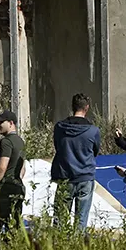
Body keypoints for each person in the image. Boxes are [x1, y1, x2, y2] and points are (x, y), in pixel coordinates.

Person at [51, 93, 102, 231]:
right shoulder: (93, 131)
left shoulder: (60, 128)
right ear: (87, 108)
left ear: (72, 106)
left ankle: (59, 246)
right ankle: (78, 247)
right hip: (85, 176)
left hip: (64, 176)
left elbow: (58, 147)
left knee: (60, 219)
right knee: (81, 219)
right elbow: (95, 151)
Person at [0, 109, 27, 236]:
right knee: (14, 225)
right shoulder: (20, 142)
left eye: (1, 122)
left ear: (11, 123)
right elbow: (22, 169)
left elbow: (2, 167)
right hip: (18, 187)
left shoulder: (6, 142)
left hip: (5, 187)